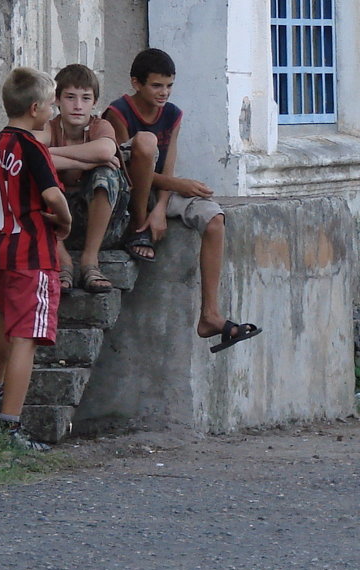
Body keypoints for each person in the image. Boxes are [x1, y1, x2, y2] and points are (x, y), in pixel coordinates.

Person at [103, 48, 261, 353]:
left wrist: (162, 207)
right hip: (127, 191)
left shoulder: (173, 114)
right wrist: (177, 185)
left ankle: (210, 315)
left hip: (160, 189)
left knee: (214, 219)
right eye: (156, 85)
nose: (164, 93)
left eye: (169, 85)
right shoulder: (118, 112)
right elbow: (127, 169)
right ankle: (138, 227)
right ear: (136, 83)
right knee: (145, 149)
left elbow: (168, 164)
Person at [0, 67, 71, 451]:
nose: (54, 112)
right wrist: (64, 222)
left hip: (0, 246)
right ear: (35, 109)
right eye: (51, 105)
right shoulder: (32, 147)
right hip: (32, 252)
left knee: (5, 322)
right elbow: (52, 195)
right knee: (25, 337)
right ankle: (10, 426)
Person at [38, 64, 126, 293]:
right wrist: (82, 161)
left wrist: (49, 155)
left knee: (105, 174)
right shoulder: (49, 128)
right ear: (56, 99)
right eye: (70, 97)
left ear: (94, 102)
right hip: (56, 223)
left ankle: (90, 260)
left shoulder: (100, 125)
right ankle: (63, 259)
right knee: (33, 176)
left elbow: (106, 152)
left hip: (97, 223)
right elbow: (30, 157)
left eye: (86, 98)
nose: (78, 106)